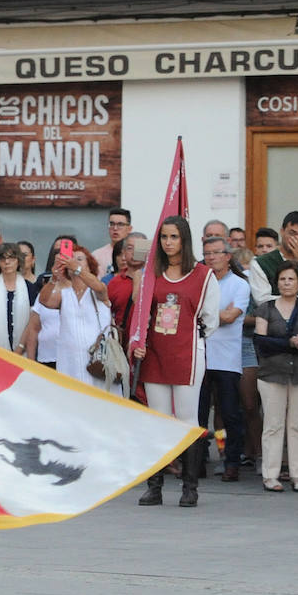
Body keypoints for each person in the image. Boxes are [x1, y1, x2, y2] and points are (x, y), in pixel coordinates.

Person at [130, 215, 219, 508]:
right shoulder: (151, 273)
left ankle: (189, 487)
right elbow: (142, 313)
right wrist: (138, 343)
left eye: (174, 237)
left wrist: (191, 336)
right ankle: (154, 486)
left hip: (187, 353)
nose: (169, 243)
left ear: (185, 240)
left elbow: (210, 318)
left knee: (186, 419)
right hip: (156, 353)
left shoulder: (203, 275)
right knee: (157, 419)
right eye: (165, 237)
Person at [252, 259, 298, 492]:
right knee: (273, 424)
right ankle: (271, 475)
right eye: (282, 279)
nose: (287, 283)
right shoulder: (265, 308)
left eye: (291, 279)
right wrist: (288, 343)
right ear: (276, 282)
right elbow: (260, 341)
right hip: (272, 373)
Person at [199, 235, 250, 482]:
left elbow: (231, 317)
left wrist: (205, 315)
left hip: (227, 359)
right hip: (200, 357)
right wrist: (218, 313)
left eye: (216, 253)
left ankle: (232, 461)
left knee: (230, 413)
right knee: (197, 415)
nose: (211, 258)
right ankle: (196, 462)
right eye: (207, 253)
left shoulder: (240, 284)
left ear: (228, 256)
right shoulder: (199, 281)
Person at [38, 243, 110, 388]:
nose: (73, 262)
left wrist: (76, 269)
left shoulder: (97, 289)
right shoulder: (64, 294)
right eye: (70, 259)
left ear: (90, 267)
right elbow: (44, 301)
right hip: (70, 360)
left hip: (98, 359)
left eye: (79, 259)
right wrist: (54, 278)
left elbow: (99, 287)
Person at [248, 211, 298, 303]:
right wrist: (294, 301)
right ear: (282, 232)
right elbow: (261, 299)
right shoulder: (260, 263)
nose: (296, 239)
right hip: (273, 315)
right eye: (292, 233)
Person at [0, 242, 38, 352]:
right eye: (2, 259)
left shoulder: (30, 288)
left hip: (24, 353)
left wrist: (20, 349)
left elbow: (32, 323)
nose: (7, 262)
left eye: (11, 258)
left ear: (18, 261)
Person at [91, 208, 131, 279]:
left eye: (120, 224)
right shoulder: (97, 255)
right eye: (112, 224)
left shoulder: (135, 254)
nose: (115, 228)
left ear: (129, 229)